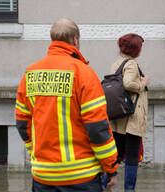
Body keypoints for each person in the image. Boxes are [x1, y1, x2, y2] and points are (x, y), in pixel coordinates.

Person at [15, 18, 118, 192]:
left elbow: (22, 124)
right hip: (81, 177)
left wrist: (37, 154)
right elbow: (97, 128)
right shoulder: (84, 73)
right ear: (76, 40)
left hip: (43, 176)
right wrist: (111, 167)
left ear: (52, 39)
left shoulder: (30, 74)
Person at [109, 33, 149, 192]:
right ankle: (129, 189)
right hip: (132, 118)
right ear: (135, 49)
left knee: (116, 154)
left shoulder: (117, 63)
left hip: (119, 116)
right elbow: (128, 84)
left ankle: (105, 182)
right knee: (132, 157)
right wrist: (143, 83)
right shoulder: (131, 64)